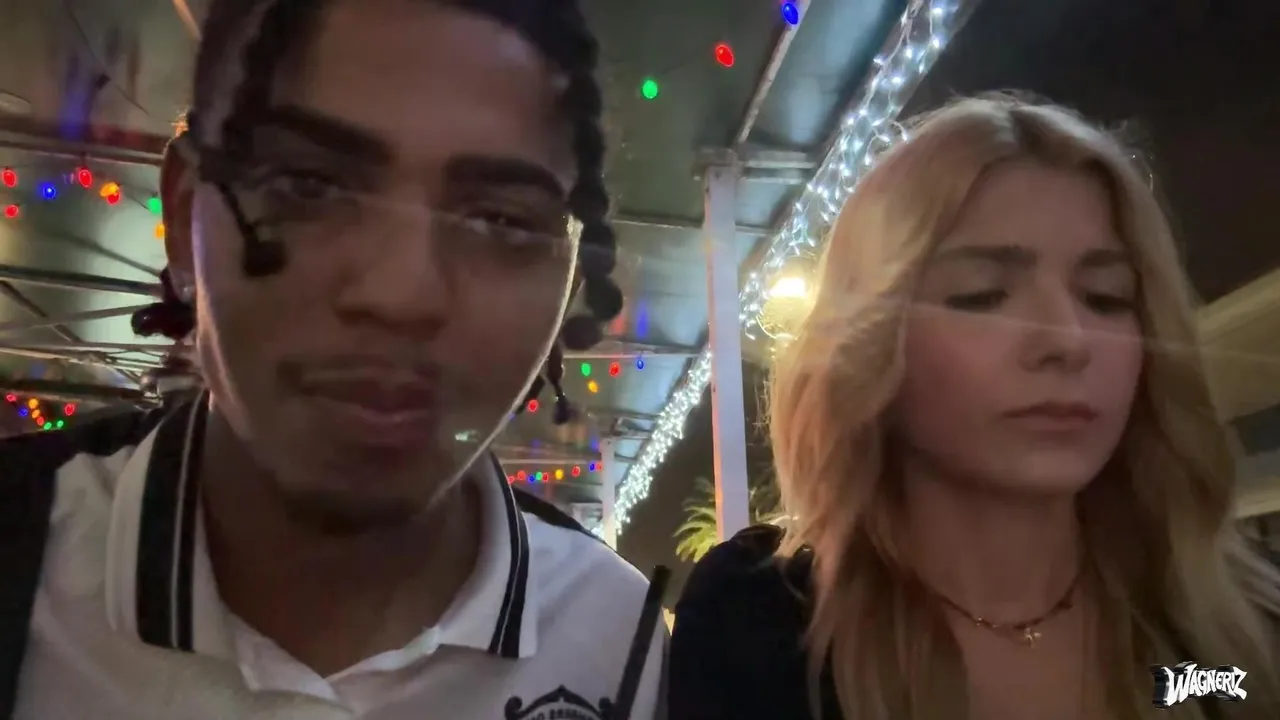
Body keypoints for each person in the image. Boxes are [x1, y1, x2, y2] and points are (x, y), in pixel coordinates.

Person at [0, 1, 667, 718]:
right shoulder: (28, 552)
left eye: (501, 219)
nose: (400, 295)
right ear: (186, 214)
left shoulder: (617, 642)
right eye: (308, 186)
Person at [668, 95, 1280, 720]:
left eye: (1106, 297)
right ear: (870, 342)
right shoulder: (764, 625)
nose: (1068, 341)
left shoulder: (1235, 630)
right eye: (982, 295)